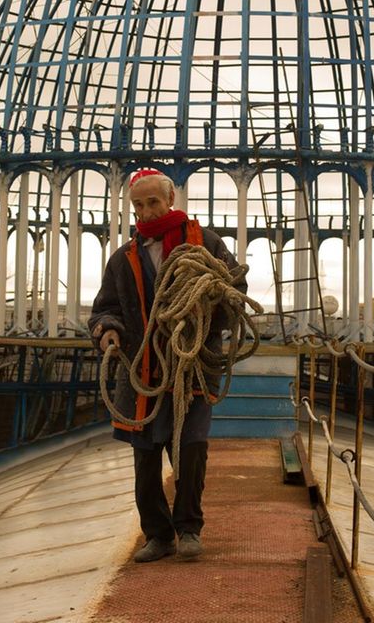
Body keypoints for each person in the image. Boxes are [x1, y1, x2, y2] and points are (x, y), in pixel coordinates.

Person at [88, 168, 245, 563]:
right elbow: (105, 308)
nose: (145, 211)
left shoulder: (206, 244)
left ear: (170, 199)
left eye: (152, 202)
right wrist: (107, 330)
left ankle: (189, 529)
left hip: (192, 369)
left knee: (191, 450)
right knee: (145, 456)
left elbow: (235, 292)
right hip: (142, 374)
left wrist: (205, 314)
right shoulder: (123, 259)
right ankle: (158, 536)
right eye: (137, 205)